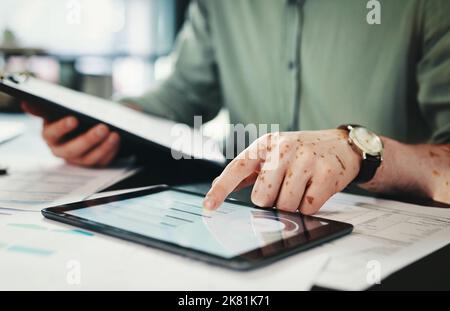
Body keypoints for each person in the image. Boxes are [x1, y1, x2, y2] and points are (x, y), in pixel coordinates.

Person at [23, 0, 450, 215]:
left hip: (379, 237)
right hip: (240, 220)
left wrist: (360, 150)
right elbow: (181, 98)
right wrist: (99, 124)